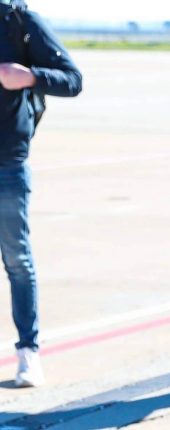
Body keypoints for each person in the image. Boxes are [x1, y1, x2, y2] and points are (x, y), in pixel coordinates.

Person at [0, 0, 82, 388]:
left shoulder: (18, 20)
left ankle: (28, 352)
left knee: (17, 260)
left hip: (7, 163)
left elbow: (73, 79)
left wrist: (29, 76)